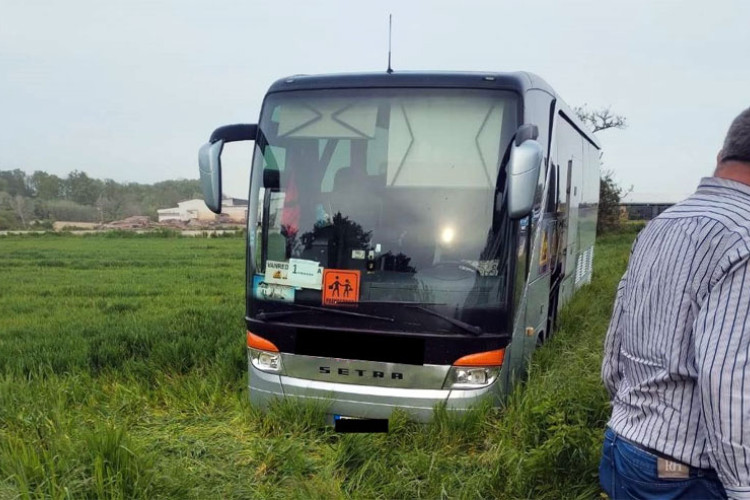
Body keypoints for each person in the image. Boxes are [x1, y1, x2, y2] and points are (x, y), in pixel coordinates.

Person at [599, 107, 750, 499]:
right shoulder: (744, 240)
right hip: (684, 475)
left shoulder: (660, 224)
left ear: (720, 157)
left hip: (622, 447)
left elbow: (615, 347)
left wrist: (634, 415)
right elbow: (726, 376)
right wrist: (741, 487)